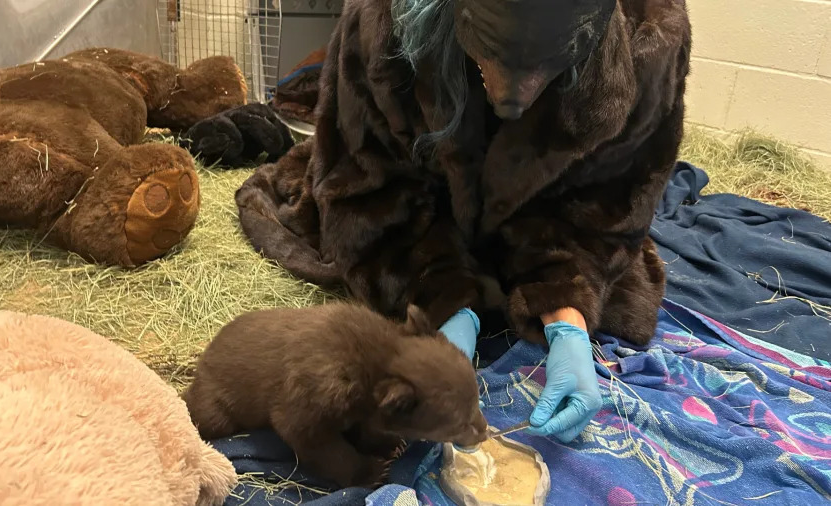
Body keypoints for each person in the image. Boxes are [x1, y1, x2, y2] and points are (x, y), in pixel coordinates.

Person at [235, 0, 691, 441]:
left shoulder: (650, 38)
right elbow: (369, 192)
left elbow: (608, 206)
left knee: (617, 299)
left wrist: (566, 309)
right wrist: (442, 298)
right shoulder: (380, 23)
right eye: (491, 59)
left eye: (542, 68)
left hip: (549, 216)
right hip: (425, 213)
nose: (513, 97)